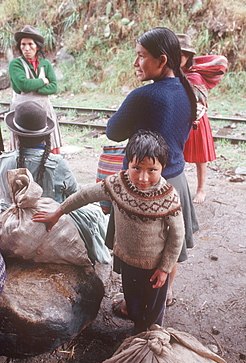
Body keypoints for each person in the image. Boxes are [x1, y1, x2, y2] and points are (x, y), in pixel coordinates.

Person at [32, 130, 185, 334]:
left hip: (154, 264)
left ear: (162, 168)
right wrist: (58, 212)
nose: (143, 177)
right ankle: (134, 319)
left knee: (153, 308)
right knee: (133, 296)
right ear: (127, 163)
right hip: (127, 260)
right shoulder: (117, 184)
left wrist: (165, 267)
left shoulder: (167, 197)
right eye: (136, 168)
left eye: (152, 170)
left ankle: (148, 338)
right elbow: (85, 195)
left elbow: (177, 235)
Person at [105, 27, 199, 310]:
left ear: (161, 60)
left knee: (142, 254)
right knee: (170, 247)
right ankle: (165, 294)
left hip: (145, 186)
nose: (135, 63)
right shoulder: (187, 89)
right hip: (177, 181)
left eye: (141, 56)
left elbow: (113, 131)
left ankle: (136, 307)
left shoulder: (144, 96)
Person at [0, 101, 110, 265]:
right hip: (51, 221)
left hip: (14, 225)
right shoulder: (58, 163)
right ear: (46, 135)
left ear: (16, 135)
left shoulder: (4, 161)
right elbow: (74, 194)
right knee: (95, 213)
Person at [177, 33, 228, 203]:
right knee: (177, 154)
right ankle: (177, 187)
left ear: (188, 57)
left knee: (201, 157)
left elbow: (199, 101)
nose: (177, 58)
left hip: (197, 121)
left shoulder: (195, 76)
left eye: (181, 55)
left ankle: (201, 190)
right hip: (178, 120)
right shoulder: (171, 73)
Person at [8, 25, 62, 154]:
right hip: (22, 112)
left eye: (30, 44)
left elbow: (54, 87)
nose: (27, 48)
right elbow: (23, 85)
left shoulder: (45, 64)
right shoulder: (15, 64)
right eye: (23, 44)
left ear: (37, 46)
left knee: (48, 144)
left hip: (44, 110)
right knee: (23, 147)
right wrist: (43, 81)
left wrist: (33, 87)